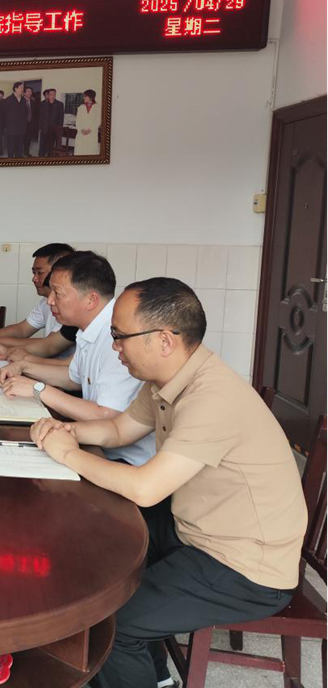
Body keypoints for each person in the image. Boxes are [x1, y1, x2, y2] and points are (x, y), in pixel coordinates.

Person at [30, 278, 306, 688]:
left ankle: (133, 662)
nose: (115, 347)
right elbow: (119, 430)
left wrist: (68, 455)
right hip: (195, 528)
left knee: (113, 621)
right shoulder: (168, 379)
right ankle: (153, 673)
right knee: (99, 530)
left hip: (244, 565)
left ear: (164, 340)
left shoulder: (212, 397)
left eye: (120, 336)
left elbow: (147, 488)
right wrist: (64, 432)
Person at [0, 251, 156, 467]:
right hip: (95, 444)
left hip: (125, 460)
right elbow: (73, 377)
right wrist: (23, 367)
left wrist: (37, 389)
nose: (50, 301)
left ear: (91, 299)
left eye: (58, 293)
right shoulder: (89, 328)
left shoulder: (120, 337)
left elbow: (106, 415)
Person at [0, 243, 75, 358]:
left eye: (40, 273)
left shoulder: (74, 310)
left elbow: (49, 346)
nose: (34, 279)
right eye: (34, 273)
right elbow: (22, 330)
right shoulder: (46, 301)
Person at [2, 81, 28, 158]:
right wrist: (6, 127)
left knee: (19, 147)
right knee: (11, 147)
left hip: (21, 128)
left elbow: (25, 113)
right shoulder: (8, 100)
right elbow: (4, 115)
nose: (22, 89)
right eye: (21, 88)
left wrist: (24, 125)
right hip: (11, 129)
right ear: (15, 88)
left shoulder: (23, 100)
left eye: (23, 88)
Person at [38, 88, 65, 157]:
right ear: (48, 95)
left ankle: (49, 158)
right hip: (44, 128)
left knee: (50, 146)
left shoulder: (59, 104)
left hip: (54, 129)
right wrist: (40, 127)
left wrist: (59, 128)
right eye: (50, 94)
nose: (52, 96)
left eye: (54, 94)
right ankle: (41, 157)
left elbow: (61, 117)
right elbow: (40, 116)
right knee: (42, 145)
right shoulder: (43, 104)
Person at [74, 88, 101, 155]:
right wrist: (81, 129)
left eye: (85, 96)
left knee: (91, 151)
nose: (83, 98)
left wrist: (90, 130)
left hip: (92, 133)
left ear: (90, 97)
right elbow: (78, 120)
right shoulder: (81, 107)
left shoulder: (97, 107)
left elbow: (98, 120)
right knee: (80, 151)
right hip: (81, 133)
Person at [23, 86, 39, 156]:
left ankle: (26, 152)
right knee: (20, 139)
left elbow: (35, 113)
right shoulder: (20, 101)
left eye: (31, 91)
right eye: (28, 91)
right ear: (24, 93)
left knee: (28, 139)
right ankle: (18, 153)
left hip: (30, 124)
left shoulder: (33, 102)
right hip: (22, 124)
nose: (30, 93)